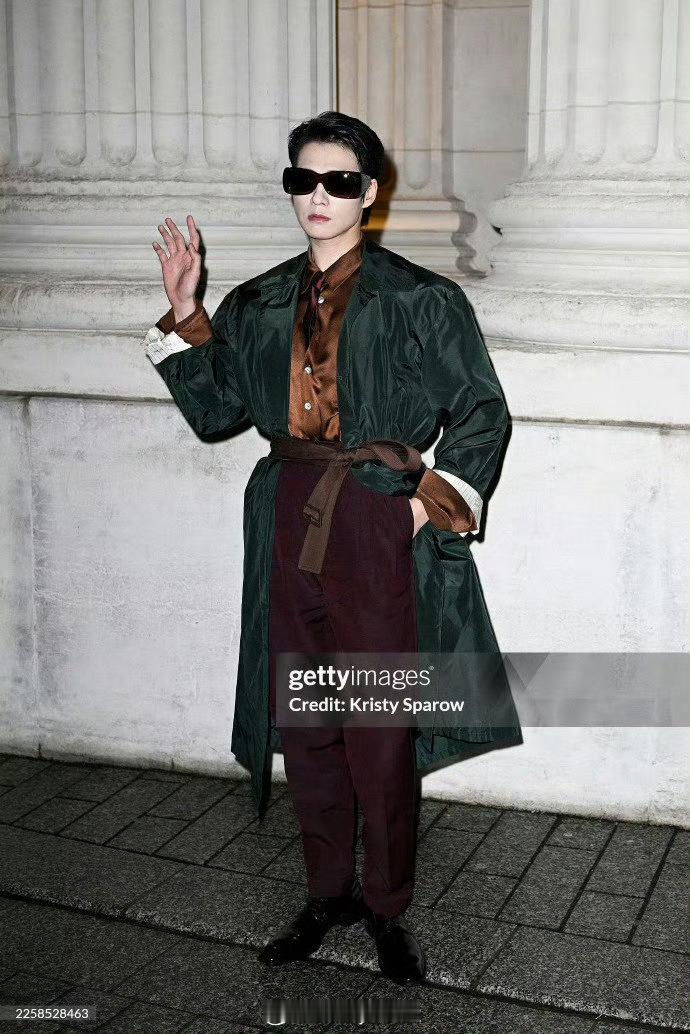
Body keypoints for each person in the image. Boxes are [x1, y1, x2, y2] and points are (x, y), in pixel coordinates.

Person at [143, 111, 523, 986]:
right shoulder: (257, 301)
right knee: (307, 717)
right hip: (286, 510)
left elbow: (482, 411)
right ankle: (326, 894)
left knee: (379, 724)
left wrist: (424, 507)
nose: (319, 196)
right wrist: (188, 311)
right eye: (303, 180)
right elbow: (218, 412)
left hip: (372, 516)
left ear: (369, 192)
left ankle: (386, 906)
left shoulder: (422, 298)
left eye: (339, 181)